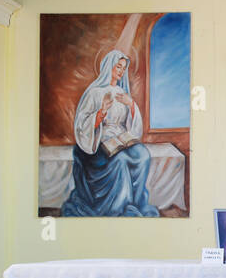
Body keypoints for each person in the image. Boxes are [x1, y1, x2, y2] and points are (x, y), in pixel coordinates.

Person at [61, 49, 159, 217]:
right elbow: (82, 124)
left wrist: (131, 105)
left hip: (121, 138)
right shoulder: (94, 93)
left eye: (123, 68)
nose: (121, 71)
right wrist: (100, 113)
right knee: (119, 160)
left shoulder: (123, 93)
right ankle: (118, 207)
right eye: (118, 67)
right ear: (109, 67)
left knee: (143, 155)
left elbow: (131, 124)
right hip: (100, 140)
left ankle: (135, 201)